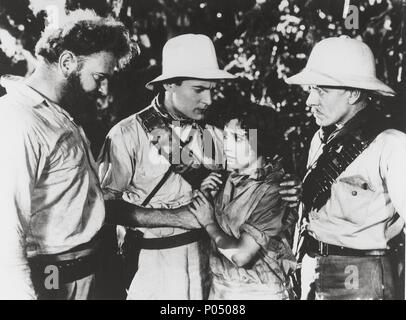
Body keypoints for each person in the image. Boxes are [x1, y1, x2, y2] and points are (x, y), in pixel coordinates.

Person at [98, 33, 301, 299]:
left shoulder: (217, 133)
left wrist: (289, 189)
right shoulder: (127, 135)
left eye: (211, 89)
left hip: (212, 266)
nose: (209, 100)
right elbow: (105, 207)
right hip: (153, 266)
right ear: (170, 84)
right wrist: (176, 217)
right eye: (198, 90)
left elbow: (256, 176)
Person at [0, 10, 133, 300]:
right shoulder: (19, 121)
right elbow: (6, 234)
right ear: (67, 61)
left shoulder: (57, 112)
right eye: (99, 77)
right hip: (54, 277)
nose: (102, 89)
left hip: (89, 270)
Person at [286, 36, 406, 300]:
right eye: (311, 89)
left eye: (322, 90)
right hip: (313, 268)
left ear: (353, 92)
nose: (309, 101)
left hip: (361, 278)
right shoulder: (321, 140)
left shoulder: (390, 145)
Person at [189, 104, 297, 300]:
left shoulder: (274, 190)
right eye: (226, 138)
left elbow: (241, 255)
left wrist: (208, 222)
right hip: (220, 288)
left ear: (261, 142)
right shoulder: (226, 179)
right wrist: (206, 195)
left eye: (237, 138)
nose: (227, 146)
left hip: (259, 292)